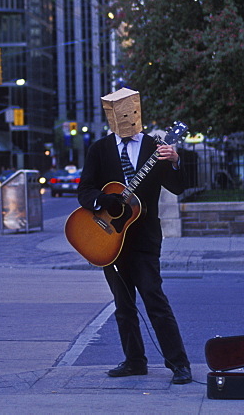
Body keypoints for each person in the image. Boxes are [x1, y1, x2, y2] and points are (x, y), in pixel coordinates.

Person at [76, 87, 192, 385]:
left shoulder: (156, 146)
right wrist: (103, 201)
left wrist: (175, 160)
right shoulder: (99, 149)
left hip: (144, 238)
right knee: (123, 304)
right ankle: (134, 360)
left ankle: (179, 363)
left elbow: (178, 187)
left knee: (154, 298)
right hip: (110, 239)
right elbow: (85, 189)